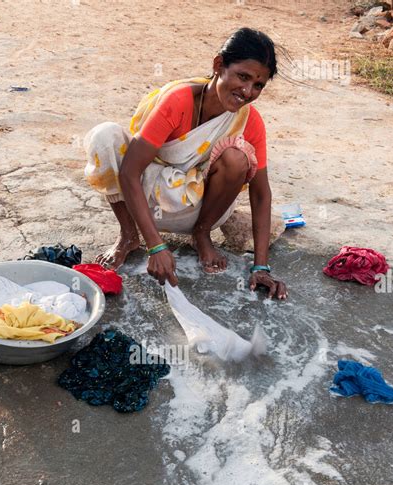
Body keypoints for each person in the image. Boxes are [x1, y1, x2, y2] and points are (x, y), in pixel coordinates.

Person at [84, 27, 287, 299]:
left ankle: (201, 236)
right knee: (104, 136)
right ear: (218, 65)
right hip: (145, 199)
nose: (247, 91)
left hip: (198, 208)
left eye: (258, 85)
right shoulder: (178, 101)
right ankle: (129, 235)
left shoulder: (249, 121)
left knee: (237, 156)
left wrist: (261, 266)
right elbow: (130, 172)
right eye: (243, 77)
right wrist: (156, 247)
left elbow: (261, 194)